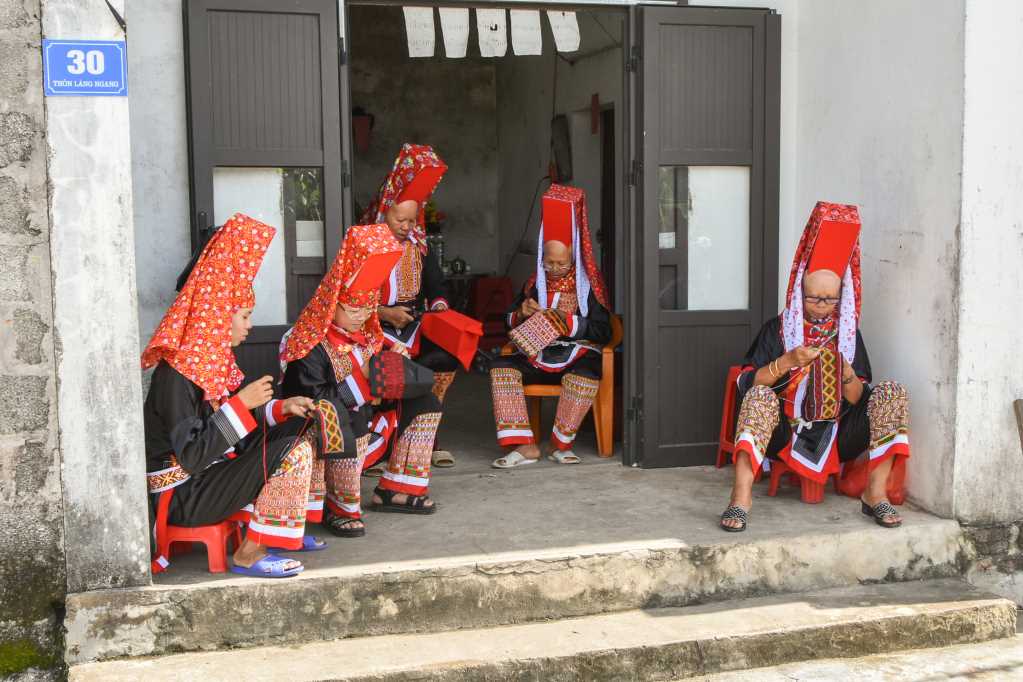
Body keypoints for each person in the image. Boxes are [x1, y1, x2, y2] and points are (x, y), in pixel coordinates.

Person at [142, 213, 324, 579]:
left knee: (304, 430)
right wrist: (242, 404)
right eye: (243, 315)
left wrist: (279, 408)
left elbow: (228, 428)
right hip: (185, 494)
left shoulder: (209, 365)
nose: (249, 325)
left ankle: (282, 527)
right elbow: (193, 456)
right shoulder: (177, 375)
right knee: (293, 452)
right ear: (215, 318)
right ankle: (250, 553)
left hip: (210, 476)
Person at [720, 201, 911, 532]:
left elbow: (858, 398)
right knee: (759, 397)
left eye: (830, 300)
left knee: (892, 393)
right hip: (786, 432)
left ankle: (874, 492)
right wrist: (788, 361)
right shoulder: (779, 329)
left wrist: (845, 371)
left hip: (838, 434)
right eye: (814, 298)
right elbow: (748, 382)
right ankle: (741, 497)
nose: (822, 307)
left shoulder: (848, 336)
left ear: (841, 298)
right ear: (799, 294)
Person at [280, 223, 443, 538]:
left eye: (367, 306)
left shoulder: (367, 334)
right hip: (321, 428)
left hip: (365, 417)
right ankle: (339, 506)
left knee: (426, 402)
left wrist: (394, 365)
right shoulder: (308, 343)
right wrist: (366, 377)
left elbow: (380, 373)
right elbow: (315, 401)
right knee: (349, 416)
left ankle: (398, 488)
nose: (359, 314)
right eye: (351, 306)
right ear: (331, 304)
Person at [361, 143, 476, 470]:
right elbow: (349, 298)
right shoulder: (367, 248)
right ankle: (383, 444)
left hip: (412, 323)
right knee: (383, 368)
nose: (406, 226)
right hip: (375, 327)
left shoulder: (417, 248)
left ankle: (428, 439)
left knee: (443, 359)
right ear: (386, 212)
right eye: (401, 219)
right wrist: (384, 313)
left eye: (412, 221)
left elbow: (437, 286)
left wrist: (439, 306)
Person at [489, 184, 612, 467]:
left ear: (574, 257)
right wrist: (521, 312)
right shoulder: (535, 283)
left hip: (575, 355)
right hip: (539, 354)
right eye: (549, 263)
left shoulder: (588, 287)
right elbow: (506, 320)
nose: (554, 269)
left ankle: (560, 444)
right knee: (500, 366)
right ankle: (524, 446)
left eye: (562, 264)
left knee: (588, 372)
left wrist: (567, 323)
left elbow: (603, 331)